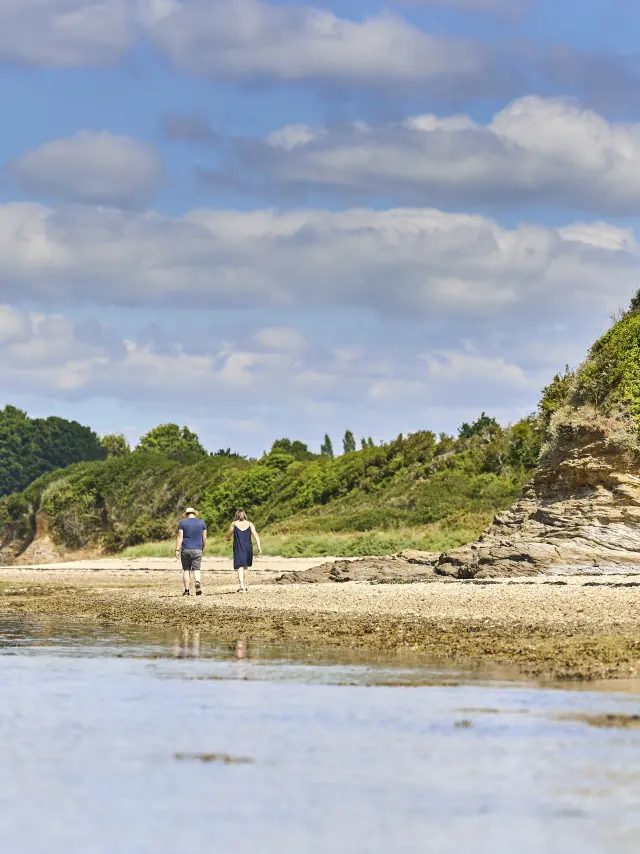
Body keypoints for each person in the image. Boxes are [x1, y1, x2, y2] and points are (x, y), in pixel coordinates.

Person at [225, 509, 261, 593]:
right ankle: (245, 585)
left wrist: (228, 538)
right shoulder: (250, 524)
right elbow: (256, 535)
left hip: (238, 547)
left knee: (240, 566)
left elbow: (229, 534)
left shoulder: (234, 523)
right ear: (244, 515)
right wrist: (259, 546)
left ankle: (242, 585)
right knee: (245, 566)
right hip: (248, 547)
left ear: (237, 515)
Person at [175, 507, 207, 596]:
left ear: (186, 514)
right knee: (197, 568)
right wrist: (203, 548)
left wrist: (177, 549)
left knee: (186, 569)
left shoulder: (183, 522)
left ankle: (187, 591)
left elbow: (180, 537)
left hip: (186, 549)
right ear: (194, 513)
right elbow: (204, 538)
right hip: (198, 549)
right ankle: (197, 581)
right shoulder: (202, 522)